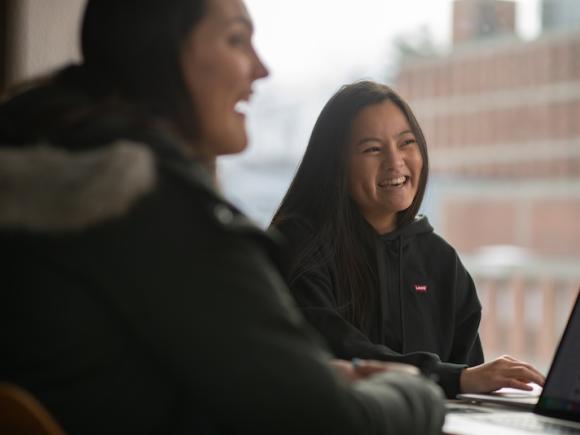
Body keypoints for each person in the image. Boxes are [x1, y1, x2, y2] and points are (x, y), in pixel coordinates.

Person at [0, 2, 446, 435]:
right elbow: (333, 423)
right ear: (161, 53)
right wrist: (418, 391)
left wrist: (303, 376)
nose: (260, 68)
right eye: (236, 39)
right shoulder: (162, 217)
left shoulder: (39, 182)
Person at [271, 80, 545, 399]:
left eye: (406, 143)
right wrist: (454, 378)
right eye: (372, 149)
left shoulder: (440, 261)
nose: (395, 161)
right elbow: (338, 350)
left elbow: (471, 388)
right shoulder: (297, 246)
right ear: (335, 164)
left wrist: (472, 382)